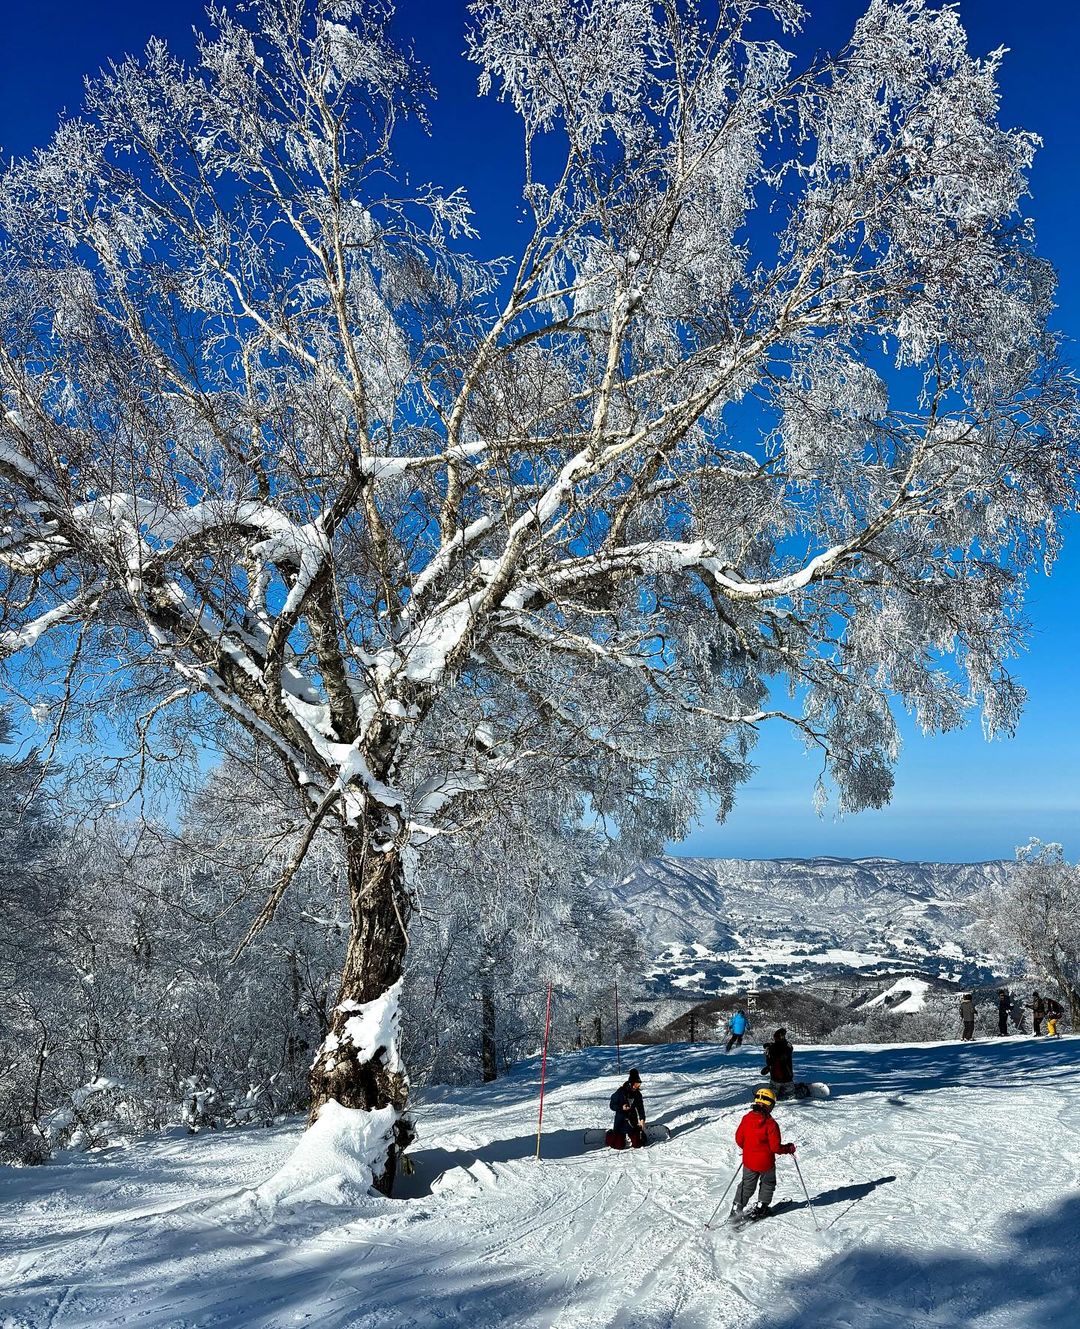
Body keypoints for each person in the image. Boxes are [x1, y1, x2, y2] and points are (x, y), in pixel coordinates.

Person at [731, 1087, 796, 1221]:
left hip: (749, 1161)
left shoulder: (746, 1118)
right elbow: (775, 1147)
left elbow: (739, 1138)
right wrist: (788, 1148)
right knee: (768, 1183)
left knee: (746, 1184)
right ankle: (762, 1207)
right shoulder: (771, 1124)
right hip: (766, 1163)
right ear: (770, 1105)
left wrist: (749, 1149)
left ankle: (737, 1206)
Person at [607, 1068, 647, 1149]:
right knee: (618, 1146)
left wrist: (642, 1119)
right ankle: (610, 1133)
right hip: (620, 1122)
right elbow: (612, 1105)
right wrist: (621, 1107)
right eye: (636, 1084)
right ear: (631, 1083)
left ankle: (636, 1132)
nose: (637, 1087)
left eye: (639, 1085)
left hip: (632, 1121)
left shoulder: (638, 1094)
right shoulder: (620, 1092)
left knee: (637, 1144)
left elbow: (640, 1108)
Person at [762, 1028, 795, 1097]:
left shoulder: (785, 1047)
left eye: (777, 1037)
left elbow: (783, 1054)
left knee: (789, 1096)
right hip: (777, 1079)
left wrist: (769, 1048)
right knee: (774, 1095)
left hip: (785, 1079)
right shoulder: (776, 1046)